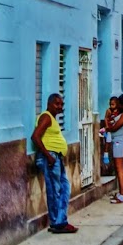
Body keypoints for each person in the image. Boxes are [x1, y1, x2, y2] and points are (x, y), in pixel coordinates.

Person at [31, 94, 77, 234]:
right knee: (55, 190)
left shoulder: (52, 118)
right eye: (57, 104)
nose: (60, 107)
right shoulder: (46, 117)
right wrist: (48, 156)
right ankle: (58, 223)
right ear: (49, 104)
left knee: (64, 188)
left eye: (61, 104)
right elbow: (35, 137)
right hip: (50, 158)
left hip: (55, 157)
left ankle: (60, 221)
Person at [103, 94, 123, 203]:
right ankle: (122, 192)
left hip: (119, 142)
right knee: (122, 167)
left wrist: (107, 127)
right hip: (120, 140)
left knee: (119, 167)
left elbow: (115, 127)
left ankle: (122, 194)